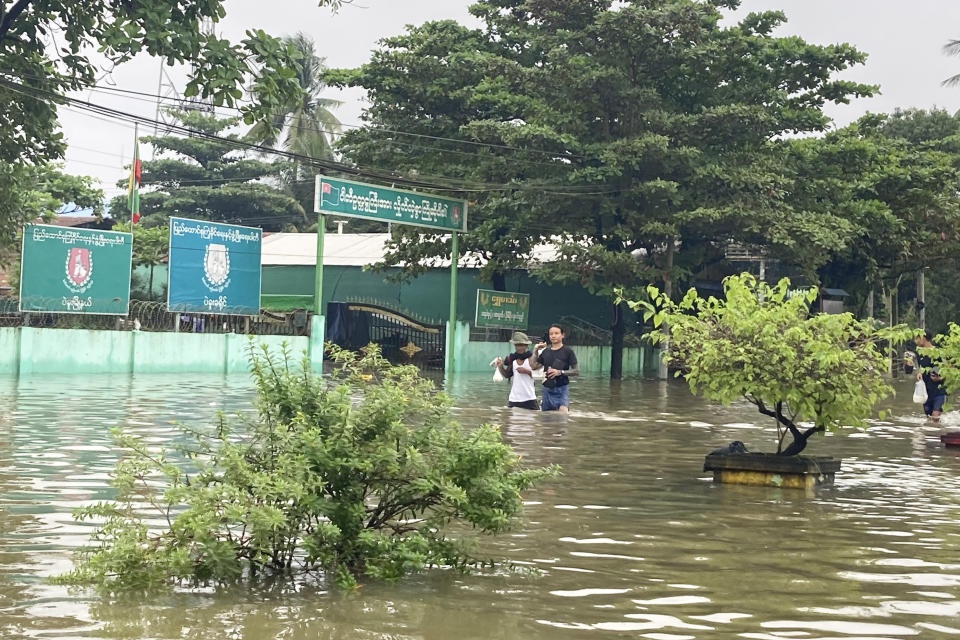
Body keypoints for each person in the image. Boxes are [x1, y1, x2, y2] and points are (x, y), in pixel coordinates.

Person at [530, 324, 578, 412]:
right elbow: (533, 366)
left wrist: (560, 372)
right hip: (547, 389)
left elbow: (576, 371)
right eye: (551, 334)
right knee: (546, 420)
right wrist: (536, 349)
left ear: (562, 335)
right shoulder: (546, 352)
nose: (553, 336)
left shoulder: (568, 351)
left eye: (556, 333)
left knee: (562, 417)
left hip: (562, 389)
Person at [494, 331, 541, 410]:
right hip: (514, 398)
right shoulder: (512, 359)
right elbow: (507, 375)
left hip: (529, 398)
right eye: (517, 345)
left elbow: (539, 376)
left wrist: (525, 371)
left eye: (521, 345)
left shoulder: (532, 358)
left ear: (526, 346)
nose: (519, 347)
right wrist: (500, 367)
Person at [915, 330, 947, 422]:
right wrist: (919, 373)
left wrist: (940, 378)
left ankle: (937, 434)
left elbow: (948, 369)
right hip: (926, 391)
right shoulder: (919, 353)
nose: (915, 341)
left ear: (923, 338)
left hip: (939, 390)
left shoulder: (939, 352)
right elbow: (920, 368)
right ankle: (931, 435)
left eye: (917, 338)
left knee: (935, 416)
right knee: (929, 419)